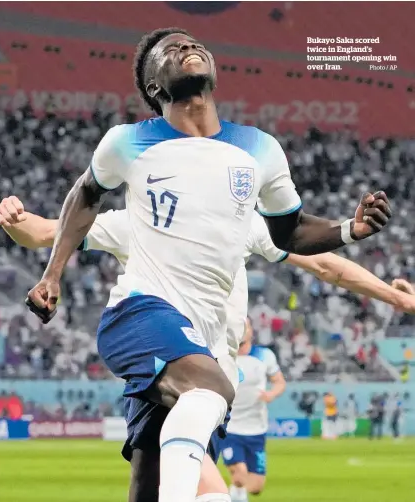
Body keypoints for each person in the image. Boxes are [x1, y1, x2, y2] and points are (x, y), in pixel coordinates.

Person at [19, 27, 391, 502]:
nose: (187, 48)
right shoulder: (127, 142)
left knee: (148, 480)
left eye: (193, 44)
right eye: (170, 50)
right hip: (141, 312)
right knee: (212, 390)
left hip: (204, 338)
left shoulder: (259, 149)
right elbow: (83, 195)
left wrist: (347, 230)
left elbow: (289, 232)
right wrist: (52, 274)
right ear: (155, 87)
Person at [0, 197, 413, 501]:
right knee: (204, 466)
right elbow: (46, 232)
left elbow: (326, 265)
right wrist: (12, 218)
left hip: (210, 367)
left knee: (151, 487)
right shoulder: (140, 218)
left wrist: (396, 299)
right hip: (167, 349)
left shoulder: (243, 223)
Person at [221, 318, 285, 502]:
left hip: (257, 429)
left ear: (251, 332)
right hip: (230, 427)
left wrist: (272, 394)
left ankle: (233, 493)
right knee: (240, 475)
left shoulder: (264, 355)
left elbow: (279, 382)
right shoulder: (224, 355)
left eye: (246, 325)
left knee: (255, 487)